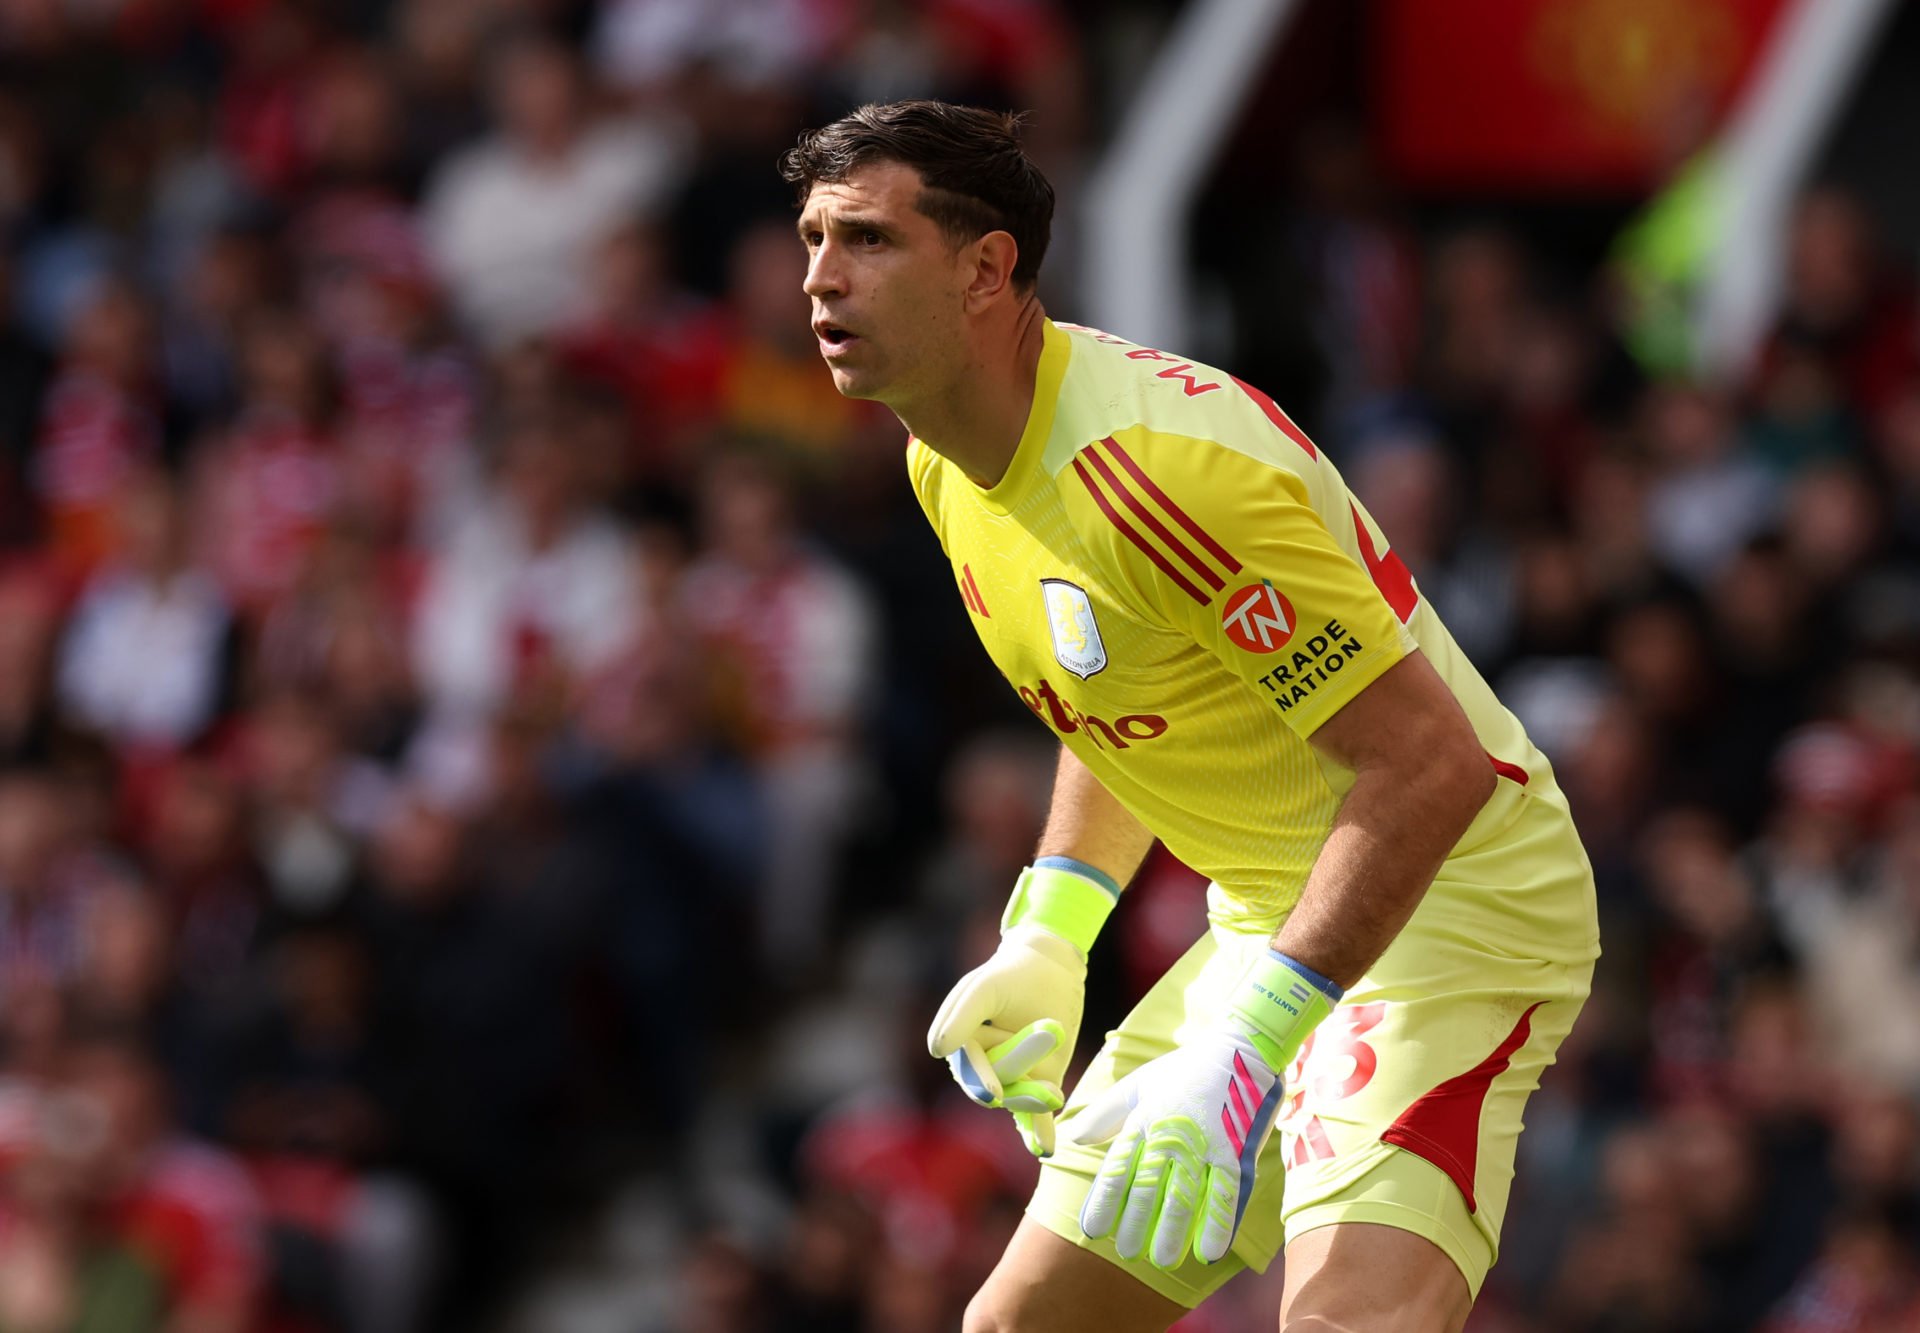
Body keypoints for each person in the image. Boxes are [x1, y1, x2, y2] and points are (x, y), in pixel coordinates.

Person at [779, 100, 1602, 1332]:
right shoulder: (944, 457)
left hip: (1453, 908)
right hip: (1277, 920)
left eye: (868, 239)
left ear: (987, 271)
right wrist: (1053, 931)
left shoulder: (1162, 473)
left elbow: (1434, 768)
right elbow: (1124, 693)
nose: (820, 279)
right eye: (812, 239)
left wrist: (1249, 1043)